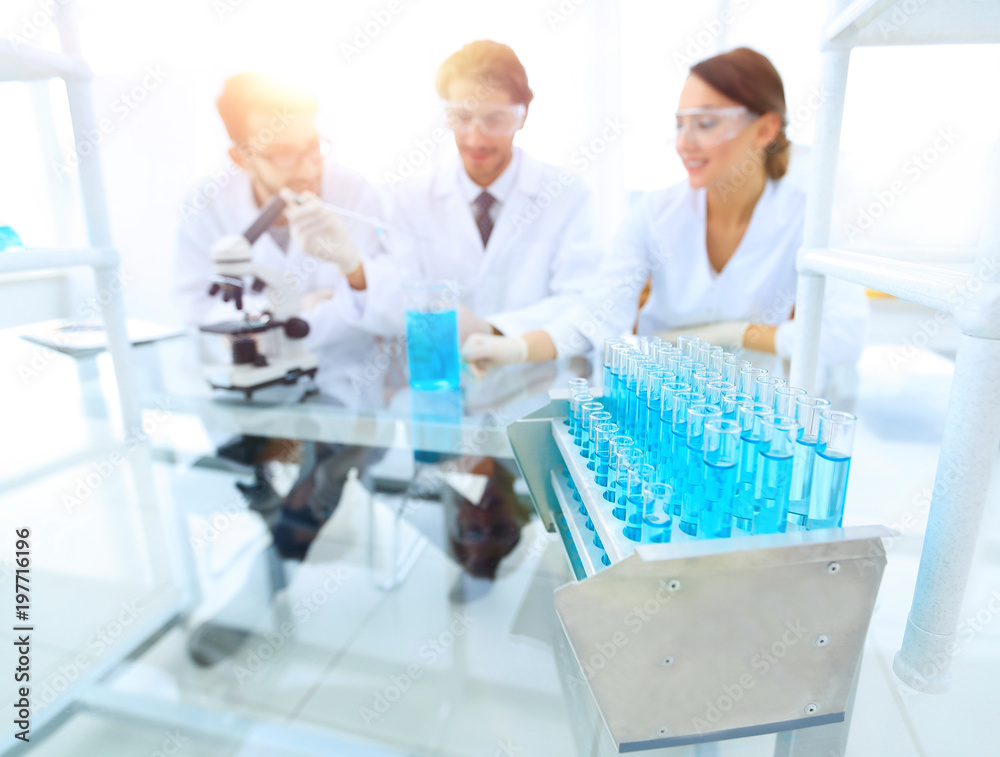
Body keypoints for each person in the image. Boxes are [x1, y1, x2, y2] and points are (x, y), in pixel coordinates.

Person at [172, 73, 389, 562]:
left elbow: (371, 301)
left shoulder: (353, 191)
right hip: (253, 391)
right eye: (283, 153)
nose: (309, 167)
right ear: (240, 156)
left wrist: (309, 313)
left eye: (314, 147)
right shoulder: (206, 205)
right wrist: (282, 312)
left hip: (341, 377)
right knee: (234, 479)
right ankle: (276, 516)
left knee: (308, 497)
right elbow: (192, 303)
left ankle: (289, 536)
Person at [328, 40, 604, 374]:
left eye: (495, 119)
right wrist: (355, 269)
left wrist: (496, 332)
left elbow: (583, 303)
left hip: (536, 383)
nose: (476, 138)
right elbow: (401, 300)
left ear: (523, 115)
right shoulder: (410, 199)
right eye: (462, 117)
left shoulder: (567, 195)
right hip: (443, 387)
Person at [592, 48, 868, 368]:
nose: (684, 143)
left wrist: (735, 334)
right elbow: (597, 319)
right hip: (656, 403)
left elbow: (845, 338)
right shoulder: (653, 213)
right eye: (681, 125)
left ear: (765, 130)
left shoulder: (805, 219)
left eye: (706, 123)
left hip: (752, 410)